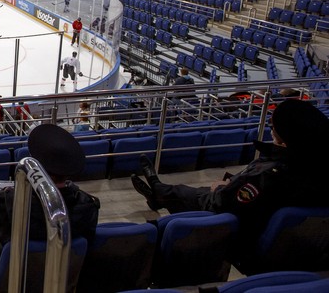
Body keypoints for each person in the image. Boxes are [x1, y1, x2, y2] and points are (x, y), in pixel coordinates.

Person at [130, 99, 329, 266]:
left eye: (273, 125)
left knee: (193, 194)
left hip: (245, 238)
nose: (270, 127)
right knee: (205, 190)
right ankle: (159, 194)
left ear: (285, 139)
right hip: (295, 247)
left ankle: (159, 191)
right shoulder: (315, 167)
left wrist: (225, 188)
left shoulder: (272, 174)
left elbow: (225, 203)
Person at [0, 124, 101, 280]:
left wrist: (5, 194)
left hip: (13, 277)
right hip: (61, 278)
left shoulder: (11, 202)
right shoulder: (88, 206)